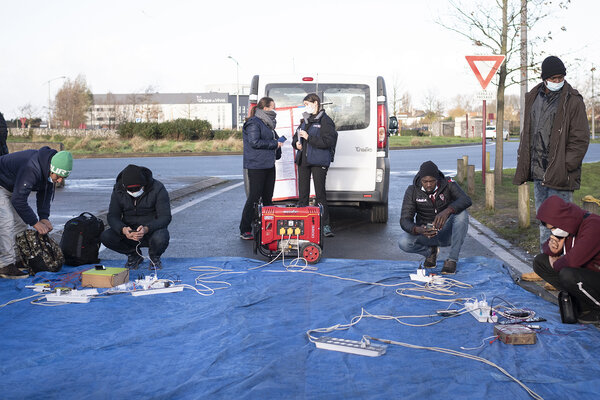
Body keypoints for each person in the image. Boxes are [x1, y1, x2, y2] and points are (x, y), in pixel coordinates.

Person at [513, 55, 590, 249]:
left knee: (563, 224)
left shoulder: (573, 101)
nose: (557, 81)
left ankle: (562, 269)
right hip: (539, 171)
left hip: (560, 173)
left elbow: (580, 139)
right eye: (553, 78)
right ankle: (545, 266)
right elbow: (528, 132)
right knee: (544, 220)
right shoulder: (533, 97)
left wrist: (565, 166)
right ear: (544, 78)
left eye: (560, 77)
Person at [0, 147, 72, 279]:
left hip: (12, 186)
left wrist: (44, 218)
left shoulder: (49, 170)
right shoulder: (32, 168)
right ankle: (5, 264)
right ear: (52, 169)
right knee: (7, 221)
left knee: (20, 223)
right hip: (2, 184)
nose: (60, 181)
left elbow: (44, 195)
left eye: (63, 178)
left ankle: (17, 259)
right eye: (59, 177)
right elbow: (19, 200)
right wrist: (35, 222)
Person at [533, 196, 600, 324]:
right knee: (540, 261)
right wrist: (553, 249)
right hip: (586, 273)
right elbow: (547, 247)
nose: (553, 231)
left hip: (595, 273)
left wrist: (556, 263)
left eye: (553, 227)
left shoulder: (593, 226)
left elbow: (573, 261)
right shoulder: (567, 227)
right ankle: (584, 302)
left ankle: (597, 307)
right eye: (550, 229)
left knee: (567, 273)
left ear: (562, 220)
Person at [398, 161, 472, 274]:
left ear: (437, 179)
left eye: (431, 181)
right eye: (425, 181)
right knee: (403, 242)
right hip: (426, 233)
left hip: (446, 232)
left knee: (462, 214)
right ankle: (430, 252)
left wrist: (448, 211)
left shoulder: (448, 183)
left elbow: (466, 200)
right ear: (420, 179)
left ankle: (452, 260)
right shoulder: (412, 190)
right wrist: (418, 229)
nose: (428, 185)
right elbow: (404, 220)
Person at [101, 164, 172, 270]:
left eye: (137, 189)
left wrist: (146, 228)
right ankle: (134, 256)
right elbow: (112, 216)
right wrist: (123, 229)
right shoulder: (118, 189)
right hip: (129, 231)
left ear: (144, 184)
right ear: (124, 187)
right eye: (131, 190)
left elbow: (165, 217)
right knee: (106, 236)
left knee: (161, 237)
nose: (134, 192)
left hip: (151, 230)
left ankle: (154, 257)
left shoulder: (158, 188)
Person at [292, 93, 338, 237]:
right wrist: (297, 144)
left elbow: (327, 142)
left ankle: (325, 226)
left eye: (308, 104)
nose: (306, 107)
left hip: (319, 161)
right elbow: (296, 137)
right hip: (303, 161)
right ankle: (301, 225)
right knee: (303, 195)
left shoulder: (326, 121)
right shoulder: (305, 120)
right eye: (305, 104)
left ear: (316, 103)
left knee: (320, 195)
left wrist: (309, 137)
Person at [239, 97, 282, 240]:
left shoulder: (268, 123)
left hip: (269, 164)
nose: (274, 110)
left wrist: (277, 144)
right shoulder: (253, 123)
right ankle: (245, 228)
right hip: (256, 165)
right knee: (254, 197)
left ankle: (267, 228)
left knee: (268, 198)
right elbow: (254, 142)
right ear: (265, 109)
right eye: (272, 107)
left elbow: (271, 140)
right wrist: (274, 144)